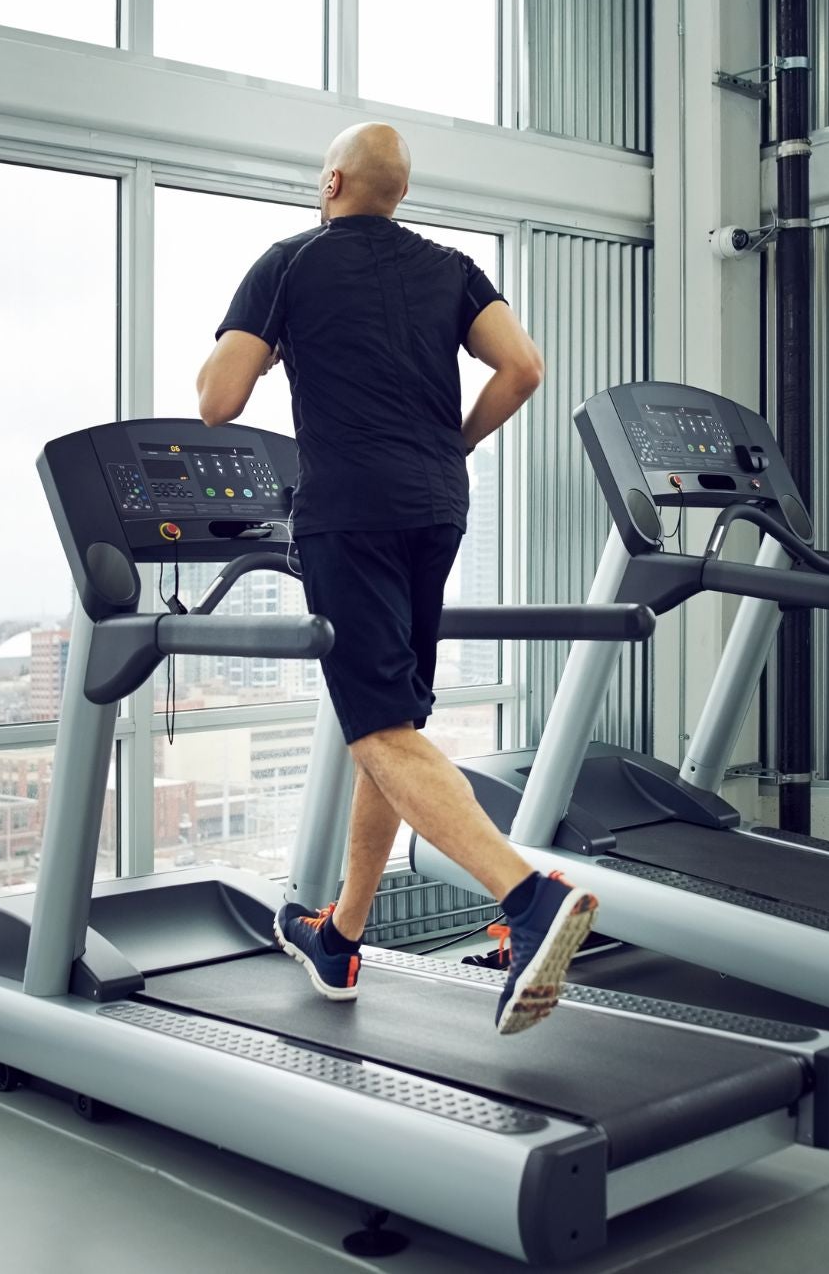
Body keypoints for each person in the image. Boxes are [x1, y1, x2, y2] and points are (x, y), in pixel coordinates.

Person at [195, 122, 597, 1035]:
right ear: (399, 194)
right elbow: (523, 368)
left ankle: (528, 897)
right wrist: (447, 445)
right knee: (392, 720)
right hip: (438, 505)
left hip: (350, 510)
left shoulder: (290, 262)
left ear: (331, 181)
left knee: (376, 724)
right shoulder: (451, 267)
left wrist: (249, 340)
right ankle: (341, 933)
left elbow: (219, 401)